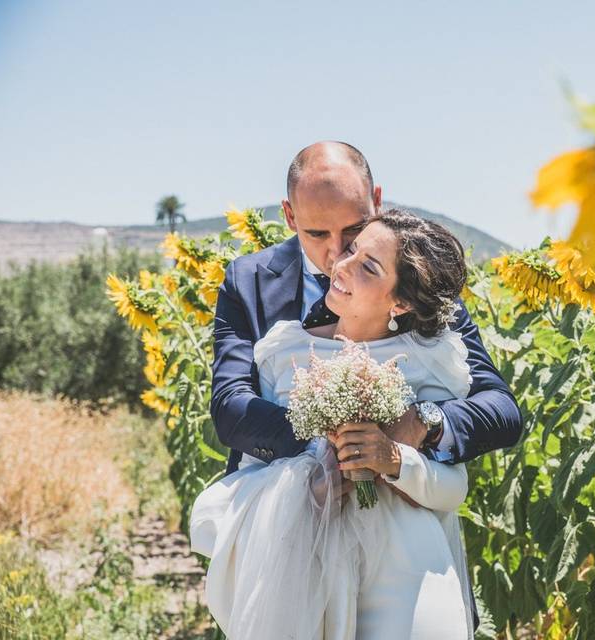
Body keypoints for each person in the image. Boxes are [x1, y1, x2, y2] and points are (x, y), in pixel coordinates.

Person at [207, 141, 522, 632]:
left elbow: (499, 408)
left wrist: (418, 425)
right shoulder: (249, 282)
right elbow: (232, 407)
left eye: (353, 232)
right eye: (317, 233)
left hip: (403, 548)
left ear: (377, 200)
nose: (337, 256)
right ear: (289, 216)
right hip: (291, 537)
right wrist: (330, 447)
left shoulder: (417, 276)